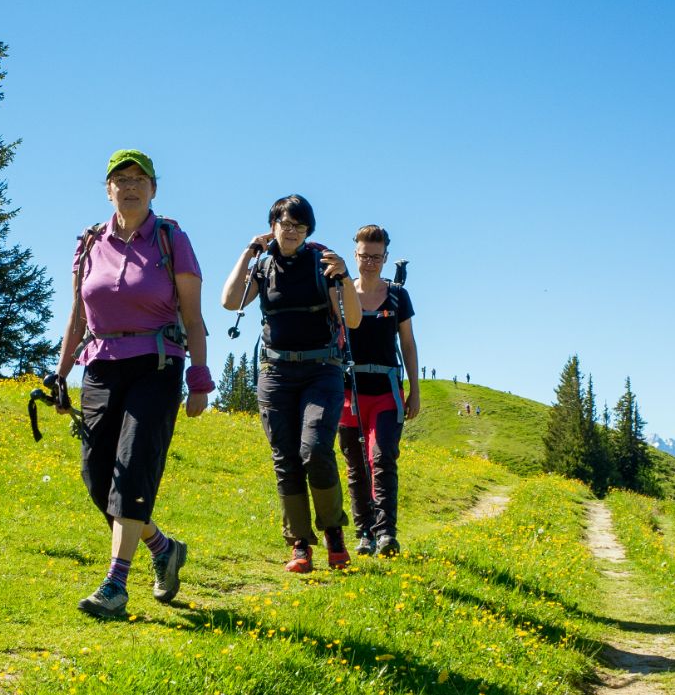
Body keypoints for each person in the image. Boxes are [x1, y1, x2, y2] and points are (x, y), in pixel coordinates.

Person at [54, 150, 212, 619]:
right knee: (97, 476)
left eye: (139, 179)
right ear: (108, 189)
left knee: (134, 465)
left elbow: (193, 315)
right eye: (120, 179)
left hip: (157, 364)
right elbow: (78, 317)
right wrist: (61, 374)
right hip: (100, 366)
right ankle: (162, 548)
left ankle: (115, 584)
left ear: (154, 189)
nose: (130, 186)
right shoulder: (88, 243)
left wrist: (199, 379)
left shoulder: (170, 239)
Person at [220, 194, 360, 572]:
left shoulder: (323, 265)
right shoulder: (262, 268)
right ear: (272, 227)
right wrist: (248, 253)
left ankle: (333, 531)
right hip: (276, 373)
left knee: (315, 449)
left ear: (308, 229)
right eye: (285, 223)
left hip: (322, 370)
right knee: (285, 458)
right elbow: (230, 301)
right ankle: (300, 544)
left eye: (300, 225)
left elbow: (355, 319)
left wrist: (345, 275)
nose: (292, 230)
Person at [337, 225, 419, 556]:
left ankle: (386, 533)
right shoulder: (341, 294)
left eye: (376, 256)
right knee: (356, 465)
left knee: (382, 456)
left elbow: (408, 344)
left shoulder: (398, 296)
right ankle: (364, 534)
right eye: (363, 255)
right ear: (354, 255)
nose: (369, 262)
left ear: (385, 257)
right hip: (348, 393)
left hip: (386, 390)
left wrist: (414, 390)